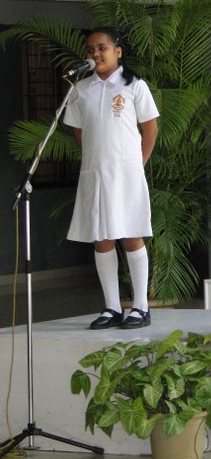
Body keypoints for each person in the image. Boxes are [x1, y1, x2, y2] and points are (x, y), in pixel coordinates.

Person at [63, 27, 159, 330]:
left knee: (131, 234)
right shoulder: (81, 89)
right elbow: (78, 129)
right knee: (101, 237)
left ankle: (141, 307)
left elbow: (150, 128)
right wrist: (96, 157)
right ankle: (112, 307)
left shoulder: (134, 85)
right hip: (95, 173)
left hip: (127, 173)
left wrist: (138, 163)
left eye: (101, 47)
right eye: (90, 49)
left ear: (118, 51)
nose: (95, 53)